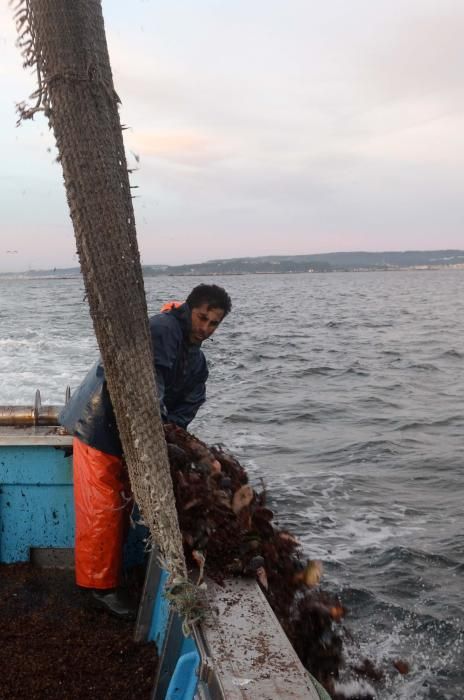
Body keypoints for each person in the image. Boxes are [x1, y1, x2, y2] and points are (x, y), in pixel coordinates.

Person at [60, 283, 232, 618]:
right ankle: (98, 588)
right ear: (189, 308)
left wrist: (171, 433)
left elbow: (190, 402)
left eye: (214, 323)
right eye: (202, 318)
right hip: (100, 425)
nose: (206, 328)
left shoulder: (197, 361)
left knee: (119, 507)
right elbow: (147, 384)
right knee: (103, 509)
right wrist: (160, 430)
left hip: (136, 437)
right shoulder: (164, 330)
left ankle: (111, 576)